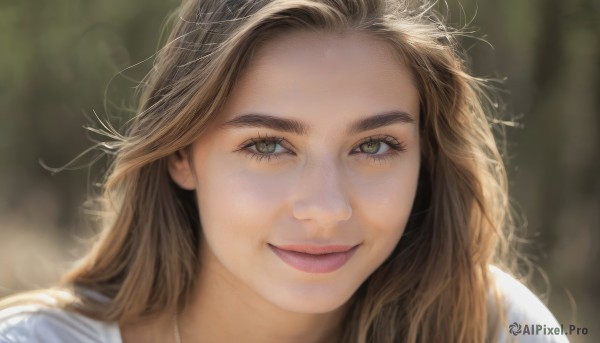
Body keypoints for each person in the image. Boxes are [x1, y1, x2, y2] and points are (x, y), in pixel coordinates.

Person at [0, 0, 569, 342]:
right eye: (268, 146)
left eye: (374, 145)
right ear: (181, 154)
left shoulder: (490, 325)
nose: (326, 208)